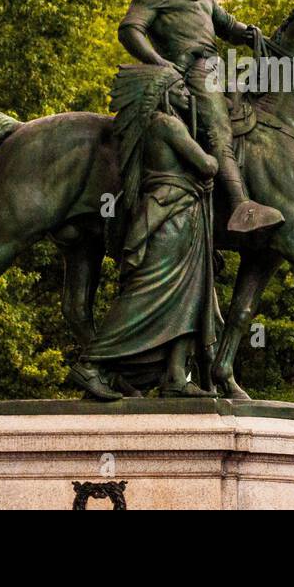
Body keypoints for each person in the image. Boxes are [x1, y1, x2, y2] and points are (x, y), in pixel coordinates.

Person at [68, 65, 223, 399]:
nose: (187, 94)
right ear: (165, 93)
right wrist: (213, 143)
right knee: (146, 292)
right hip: (169, 216)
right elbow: (208, 165)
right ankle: (91, 364)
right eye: (181, 89)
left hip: (185, 216)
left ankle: (176, 376)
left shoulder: (158, 126)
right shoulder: (166, 124)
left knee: (191, 296)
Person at [118, 0, 284, 234]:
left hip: (219, 68)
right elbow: (131, 30)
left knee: (255, 113)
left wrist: (256, 35)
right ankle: (239, 205)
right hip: (193, 69)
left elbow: (228, 26)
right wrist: (159, 62)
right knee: (218, 127)